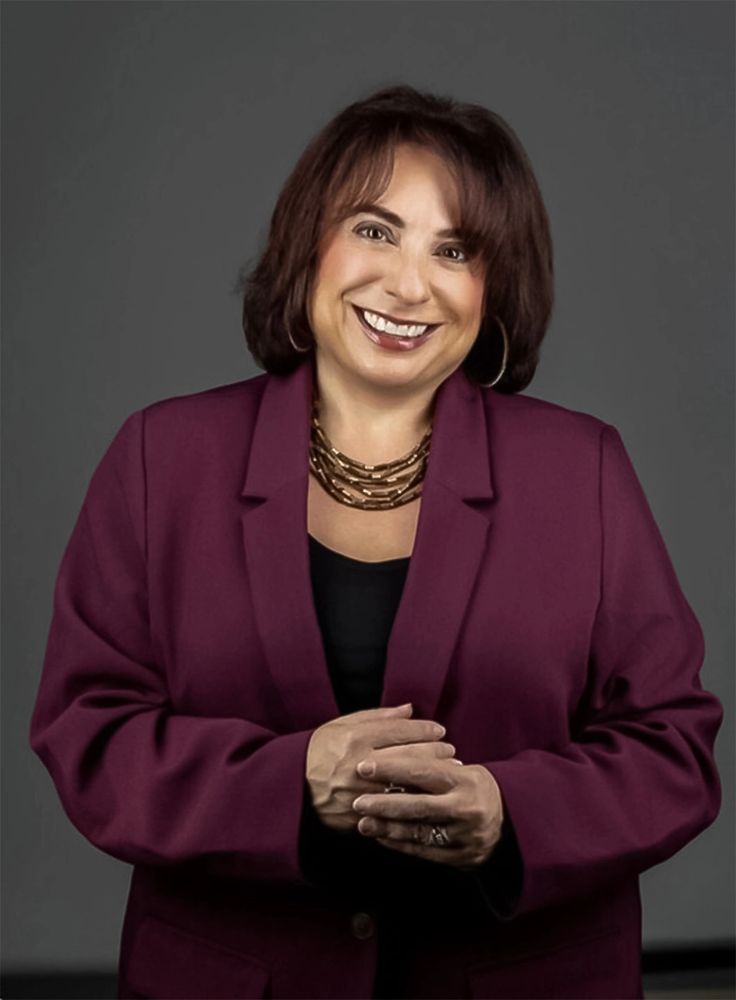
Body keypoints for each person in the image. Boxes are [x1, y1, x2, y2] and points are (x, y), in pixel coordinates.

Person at [29, 84, 723, 1000]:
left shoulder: (581, 469)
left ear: (493, 286)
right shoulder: (163, 457)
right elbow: (90, 732)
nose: (407, 284)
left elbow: (673, 749)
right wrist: (290, 786)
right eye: (375, 229)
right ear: (308, 242)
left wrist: (511, 815)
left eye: (455, 249)